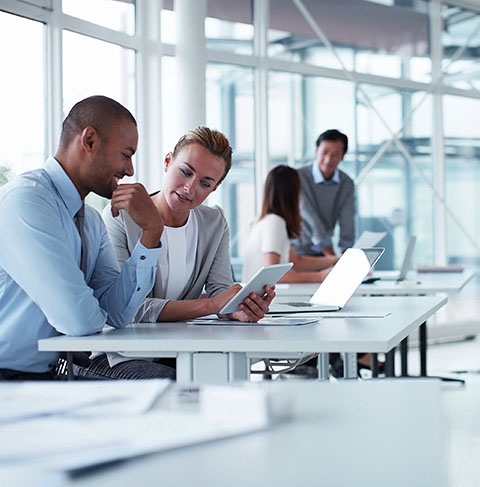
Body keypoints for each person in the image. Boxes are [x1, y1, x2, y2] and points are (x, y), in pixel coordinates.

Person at [0, 95, 179, 381]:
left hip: (46, 377)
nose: (130, 170)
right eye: (126, 154)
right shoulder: (28, 202)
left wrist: (152, 233)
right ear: (90, 141)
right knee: (164, 387)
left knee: (171, 384)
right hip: (8, 381)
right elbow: (79, 320)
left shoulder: (91, 221)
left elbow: (117, 313)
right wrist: (96, 310)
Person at [76, 127, 275, 379]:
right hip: (119, 355)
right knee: (184, 384)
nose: (190, 188)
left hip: (176, 351)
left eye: (205, 183)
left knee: (227, 377)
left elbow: (220, 291)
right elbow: (128, 308)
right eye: (185, 172)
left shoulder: (213, 222)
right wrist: (211, 305)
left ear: (215, 188)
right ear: (168, 162)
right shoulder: (121, 217)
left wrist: (239, 307)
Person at [243, 165, 338, 283]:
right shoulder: (274, 222)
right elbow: (271, 274)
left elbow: (296, 260)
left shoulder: (264, 221)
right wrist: (320, 276)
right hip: (263, 298)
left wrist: (335, 260)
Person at [292, 129, 355, 257]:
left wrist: (347, 253)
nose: (328, 160)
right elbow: (309, 215)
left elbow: (347, 219)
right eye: (324, 152)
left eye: (335, 154)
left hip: (323, 252)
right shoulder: (298, 177)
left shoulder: (346, 183)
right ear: (316, 151)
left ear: (342, 157)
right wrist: (331, 254)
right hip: (296, 251)